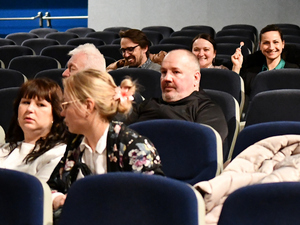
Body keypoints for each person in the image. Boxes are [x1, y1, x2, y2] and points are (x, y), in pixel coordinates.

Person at [48, 69, 164, 214]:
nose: (62, 113)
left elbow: (154, 202)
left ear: (88, 106)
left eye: (66, 105)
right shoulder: (76, 143)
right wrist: (58, 198)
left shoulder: (132, 146)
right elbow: (52, 186)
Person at [125, 49, 228, 143]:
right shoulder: (146, 104)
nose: (167, 78)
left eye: (176, 72)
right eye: (164, 72)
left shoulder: (206, 110)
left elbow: (203, 149)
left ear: (196, 78)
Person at [0, 78, 68, 182]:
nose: (30, 109)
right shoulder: (5, 149)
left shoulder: (58, 154)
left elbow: (41, 193)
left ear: (55, 114)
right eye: (26, 102)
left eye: (41, 104)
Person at [231, 24, 300, 97]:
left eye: (275, 42)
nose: (271, 47)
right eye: (266, 43)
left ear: (283, 44)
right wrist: (236, 67)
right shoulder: (251, 74)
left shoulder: (294, 72)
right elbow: (236, 97)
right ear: (260, 46)